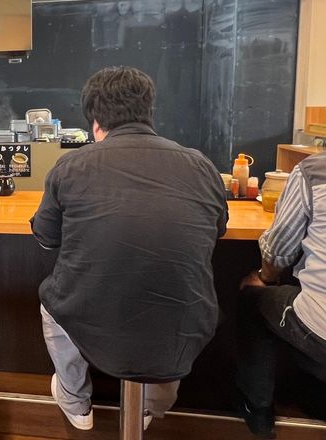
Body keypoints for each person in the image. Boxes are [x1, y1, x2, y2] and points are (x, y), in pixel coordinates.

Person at [30, 66, 227, 431]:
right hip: (185, 320)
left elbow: (46, 238)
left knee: (54, 300)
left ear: (95, 122)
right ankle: (152, 404)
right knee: (173, 306)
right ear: (149, 112)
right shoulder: (201, 165)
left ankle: (75, 401)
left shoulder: (71, 165)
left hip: (92, 312)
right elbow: (217, 232)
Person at [236, 152, 326, 439]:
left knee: (253, 299)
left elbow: (278, 251)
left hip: (320, 329)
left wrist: (265, 277)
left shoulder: (314, 171)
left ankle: (258, 410)